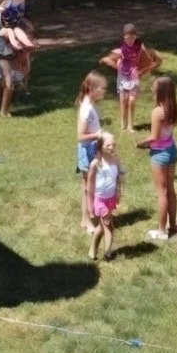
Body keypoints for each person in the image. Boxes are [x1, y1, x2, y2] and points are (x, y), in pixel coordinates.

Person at [140, 76, 177, 242]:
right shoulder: (173, 108)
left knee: (161, 192)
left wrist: (140, 143)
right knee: (170, 190)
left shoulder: (157, 112)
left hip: (160, 155)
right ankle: (172, 226)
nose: (152, 90)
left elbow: (154, 137)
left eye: (154, 88)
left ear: (161, 92)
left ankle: (161, 231)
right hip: (172, 151)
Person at [100, 23, 162, 132]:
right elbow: (110, 59)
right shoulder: (121, 49)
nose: (131, 40)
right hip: (123, 76)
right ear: (124, 37)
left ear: (136, 36)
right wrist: (117, 66)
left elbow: (151, 59)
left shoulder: (139, 47)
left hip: (134, 76)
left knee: (131, 101)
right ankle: (123, 123)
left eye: (133, 38)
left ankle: (130, 125)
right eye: (128, 38)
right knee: (124, 100)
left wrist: (145, 69)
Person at [75, 72, 109, 234]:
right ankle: (86, 220)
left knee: (91, 185)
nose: (104, 91)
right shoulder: (86, 108)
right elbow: (80, 136)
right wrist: (98, 135)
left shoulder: (91, 105)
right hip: (87, 149)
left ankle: (89, 217)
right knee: (87, 187)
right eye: (102, 88)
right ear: (92, 89)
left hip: (93, 147)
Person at [86, 132, 124, 261]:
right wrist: (90, 205)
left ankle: (92, 250)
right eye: (108, 145)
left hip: (111, 198)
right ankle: (108, 253)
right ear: (101, 146)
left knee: (101, 227)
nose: (112, 147)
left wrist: (118, 192)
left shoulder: (116, 160)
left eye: (113, 144)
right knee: (108, 224)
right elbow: (89, 186)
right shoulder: (96, 163)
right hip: (99, 200)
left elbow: (118, 178)